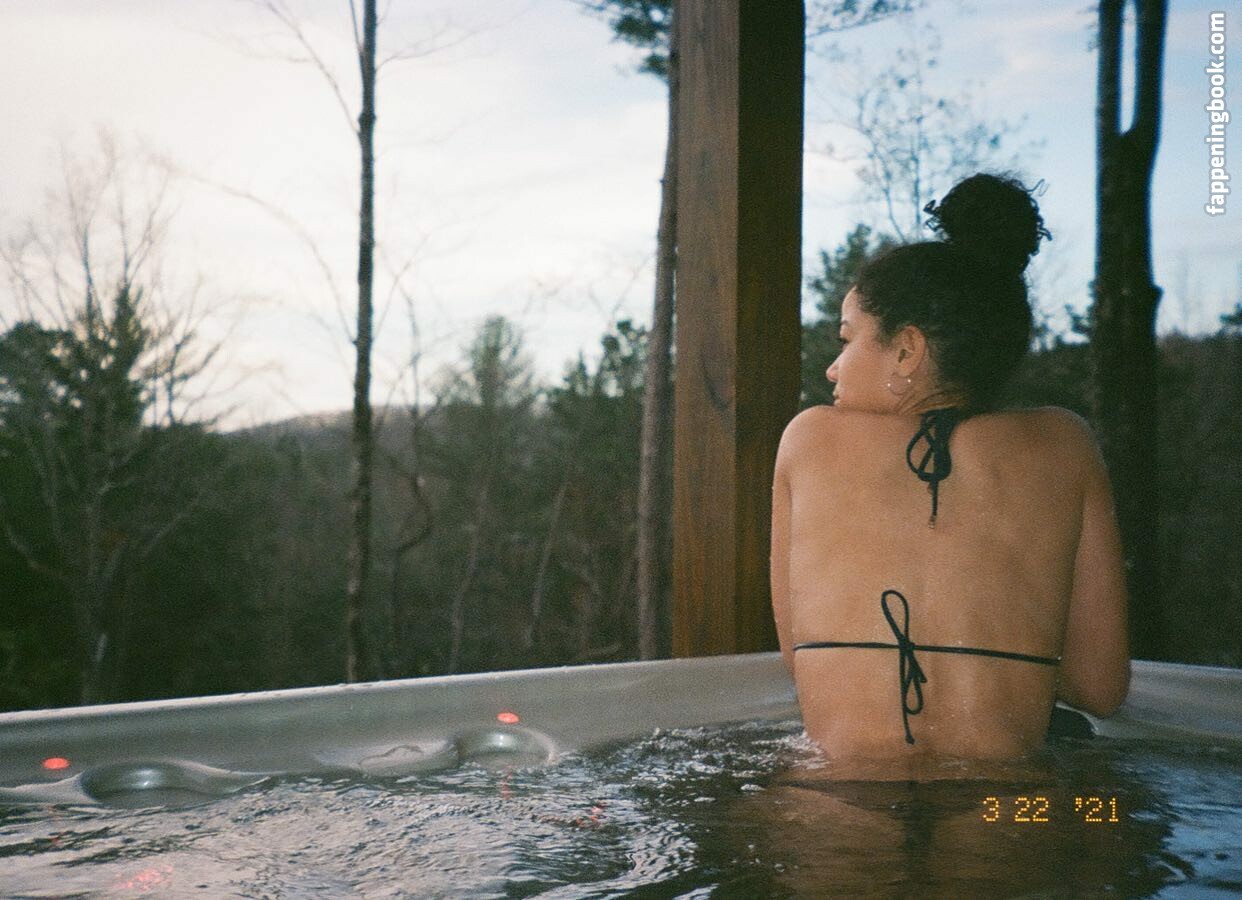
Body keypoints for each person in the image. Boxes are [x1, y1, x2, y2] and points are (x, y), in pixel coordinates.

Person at [769, 172, 1130, 777]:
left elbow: (800, 661)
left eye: (847, 340)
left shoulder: (809, 441)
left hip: (838, 805)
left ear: (906, 351)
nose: (833, 368)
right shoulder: (1065, 445)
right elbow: (1099, 687)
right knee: (1100, 816)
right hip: (1009, 807)